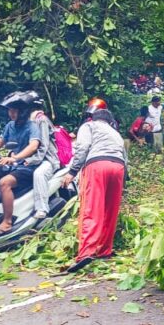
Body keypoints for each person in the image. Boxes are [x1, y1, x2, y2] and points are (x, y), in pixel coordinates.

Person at [61, 108, 126, 273]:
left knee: (91, 208)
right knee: (110, 210)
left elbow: (82, 147)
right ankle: (104, 250)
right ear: (110, 121)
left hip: (97, 165)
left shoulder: (89, 126)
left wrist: (72, 172)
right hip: (118, 167)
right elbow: (125, 155)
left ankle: (86, 252)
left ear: (93, 118)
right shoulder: (114, 132)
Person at [0, 91, 45, 235]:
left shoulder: (32, 126)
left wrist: (15, 158)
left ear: (23, 111)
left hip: (26, 166)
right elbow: (0, 142)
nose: (11, 113)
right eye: (9, 110)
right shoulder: (10, 125)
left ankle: (7, 222)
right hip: (11, 164)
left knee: (5, 182)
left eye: (14, 110)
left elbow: (33, 146)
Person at [29, 104, 61, 220]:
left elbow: (44, 145)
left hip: (48, 159)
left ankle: (42, 209)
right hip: (34, 159)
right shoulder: (28, 121)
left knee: (39, 174)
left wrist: (32, 160)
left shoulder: (41, 120)